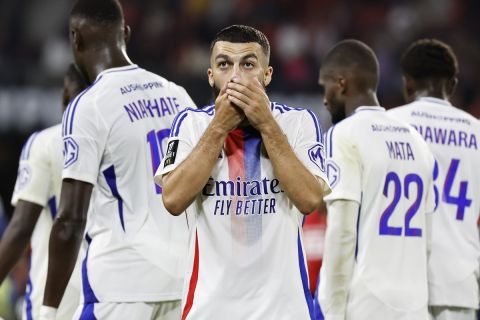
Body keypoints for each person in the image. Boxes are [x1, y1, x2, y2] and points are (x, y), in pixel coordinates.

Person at [155, 24, 329, 320]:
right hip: (209, 310)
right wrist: (219, 127)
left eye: (248, 64)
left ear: (267, 74)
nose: (236, 76)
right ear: (211, 75)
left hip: (284, 311)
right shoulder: (191, 124)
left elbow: (309, 199)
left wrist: (266, 124)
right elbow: (173, 200)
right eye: (224, 64)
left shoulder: (298, 122)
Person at [39, 0, 196, 319]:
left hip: (120, 287)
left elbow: (70, 219)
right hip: (182, 282)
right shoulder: (178, 95)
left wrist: (48, 310)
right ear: (125, 32)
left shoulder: (89, 106)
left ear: (75, 39)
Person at [316, 39, 435, 320]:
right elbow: (428, 238)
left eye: (326, 87)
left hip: (366, 303)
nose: (324, 98)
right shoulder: (417, 140)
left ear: (342, 84)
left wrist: (330, 311)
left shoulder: (343, 134)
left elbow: (342, 232)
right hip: (415, 305)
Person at [389, 39, 480, 320]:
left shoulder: (388, 125)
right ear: (452, 85)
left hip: (399, 278)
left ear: (407, 84)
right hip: (459, 280)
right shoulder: (477, 132)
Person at [0, 64, 87, 320]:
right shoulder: (121, 143)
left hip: (54, 298)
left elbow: (20, 229)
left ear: (65, 96)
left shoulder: (47, 143)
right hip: (110, 293)